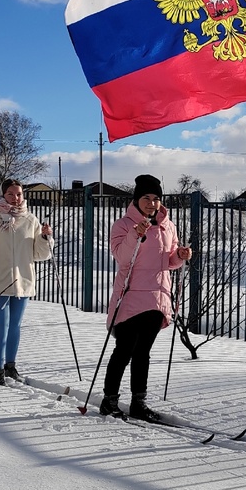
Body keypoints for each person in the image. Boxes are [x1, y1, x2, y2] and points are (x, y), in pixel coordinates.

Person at [99, 174, 192, 422]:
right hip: (130, 297)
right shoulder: (122, 225)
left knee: (143, 353)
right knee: (124, 350)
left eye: (156, 199)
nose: (152, 204)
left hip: (157, 298)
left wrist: (180, 255)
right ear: (137, 200)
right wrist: (135, 234)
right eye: (147, 198)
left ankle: (138, 403)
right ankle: (109, 401)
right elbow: (122, 257)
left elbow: (168, 262)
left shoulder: (168, 226)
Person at [0, 179, 53, 386]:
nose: (15, 198)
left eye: (19, 194)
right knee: (1, 326)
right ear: (2, 195)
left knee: (15, 326)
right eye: (11, 194)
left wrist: (44, 237)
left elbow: (41, 254)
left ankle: (10, 367)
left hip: (22, 281)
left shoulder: (30, 219)